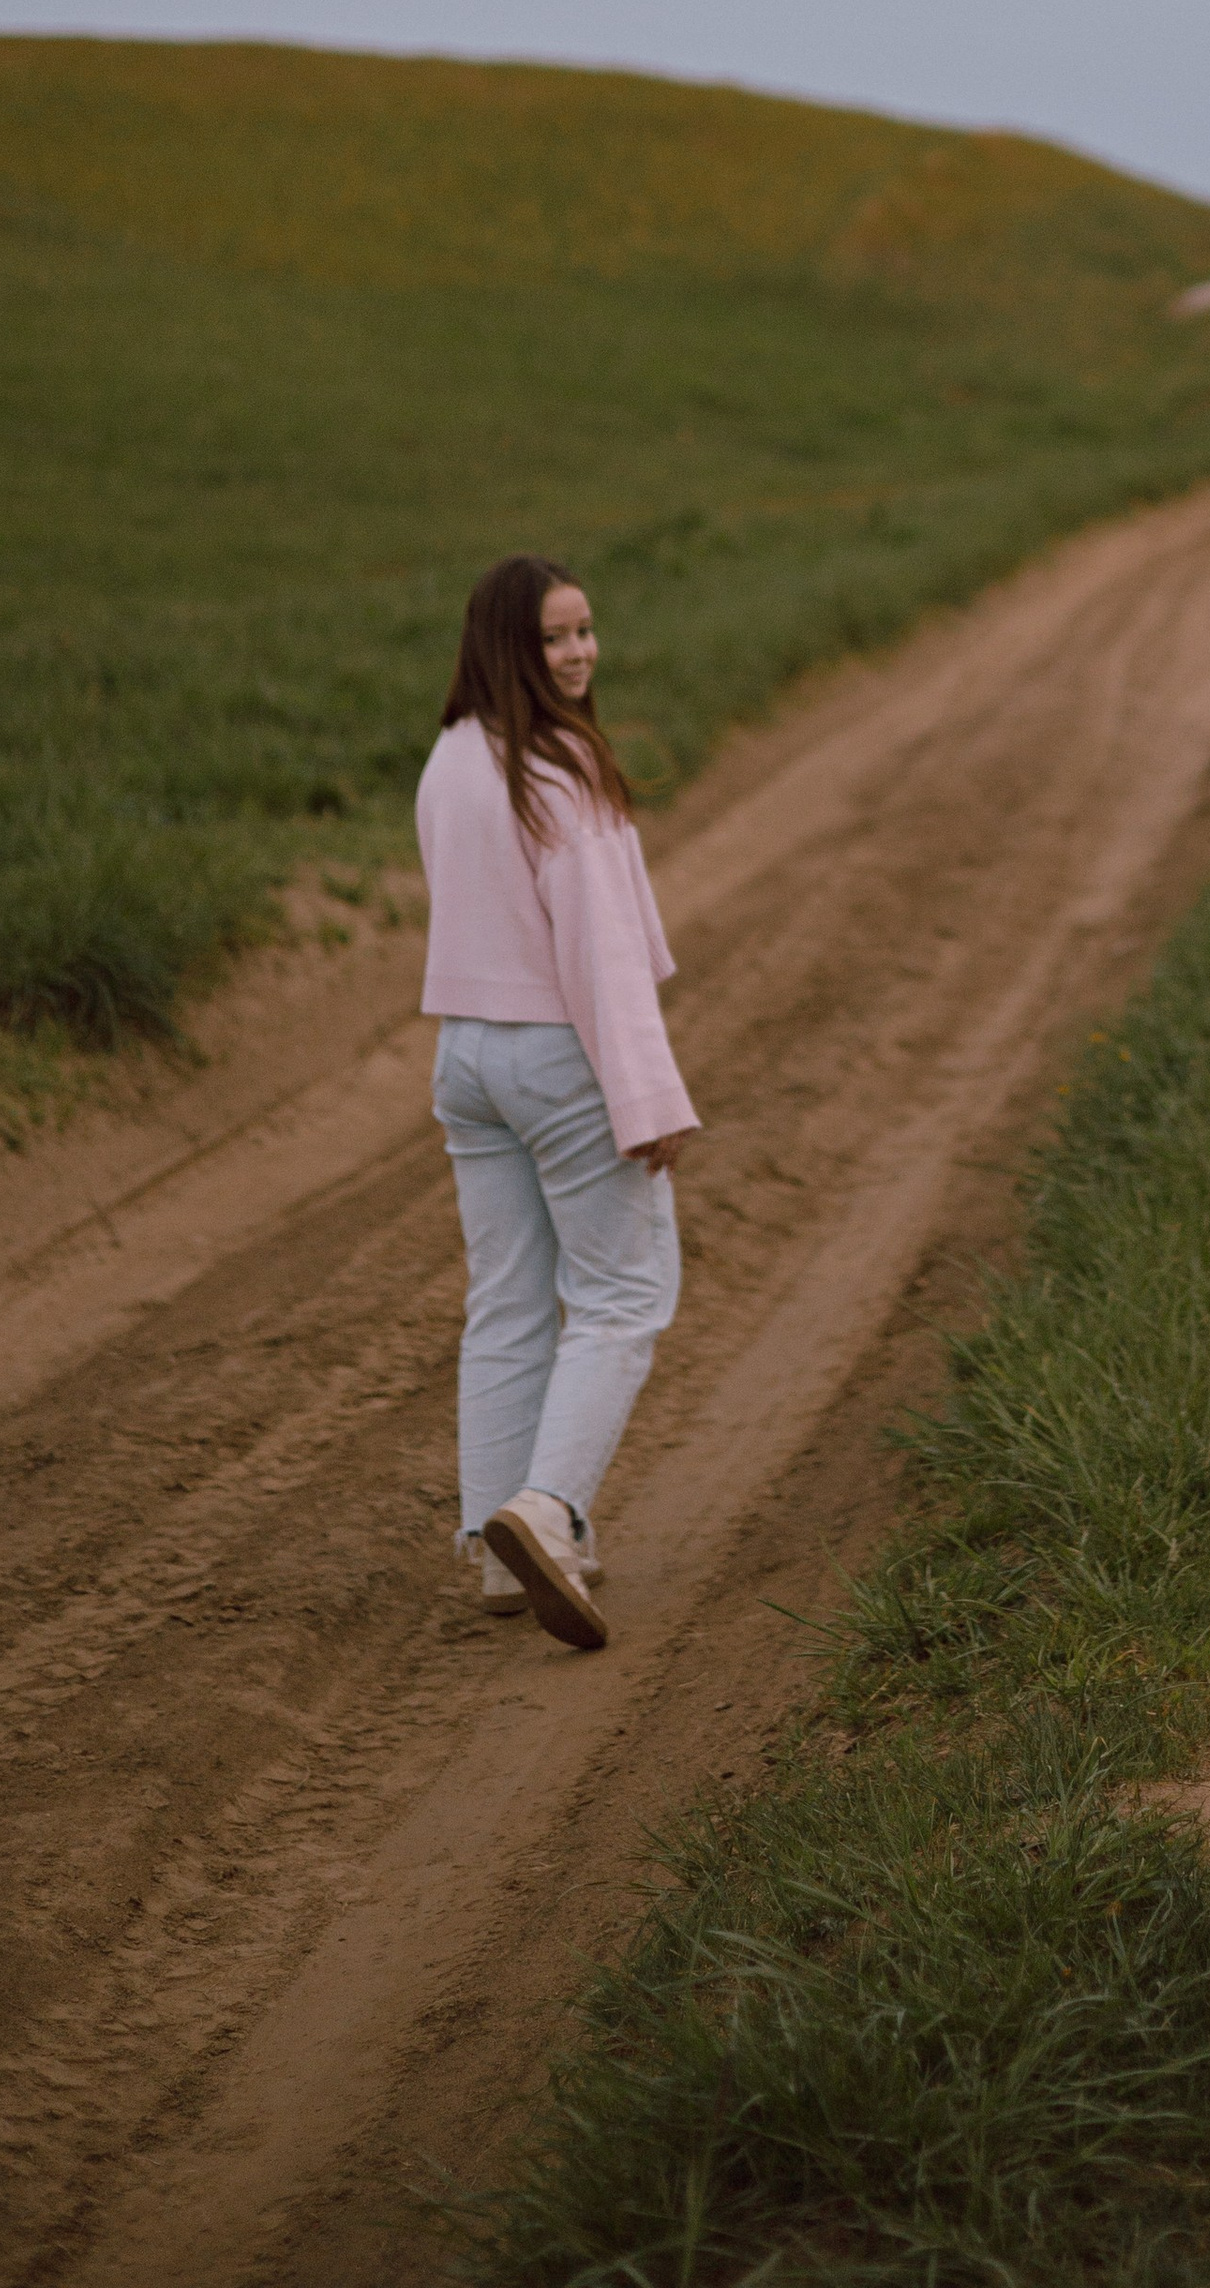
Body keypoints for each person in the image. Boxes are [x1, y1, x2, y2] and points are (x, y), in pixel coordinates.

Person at [416, 554, 696, 1650]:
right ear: (508, 647)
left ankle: (495, 1553)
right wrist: (649, 1101)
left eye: (585, 632)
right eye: (554, 638)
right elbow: (599, 957)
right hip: (554, 1054)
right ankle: (548, 1510)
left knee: (510, 1297)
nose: (578, 654)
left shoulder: (450, 756)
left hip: (466, 1057)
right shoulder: (558, 767)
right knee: (626, 1296)